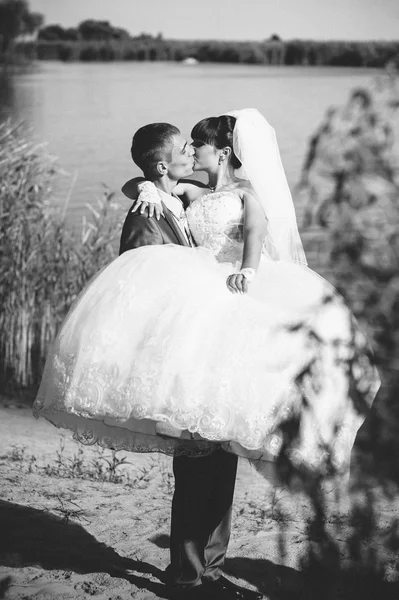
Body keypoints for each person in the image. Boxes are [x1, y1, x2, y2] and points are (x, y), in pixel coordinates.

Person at [34, 109, 380, 599]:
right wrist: (148, 190)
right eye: (189, 145)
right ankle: (187, 567)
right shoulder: (192, 190)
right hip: (194, 317)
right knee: (193, 453)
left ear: (223, 151)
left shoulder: (246, 194)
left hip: (233, 311)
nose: (192, 150)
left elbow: (258, 238)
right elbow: (143, 178)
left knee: (221, 449)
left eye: (199, 144)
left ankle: (209, 563)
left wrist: (249, 271)